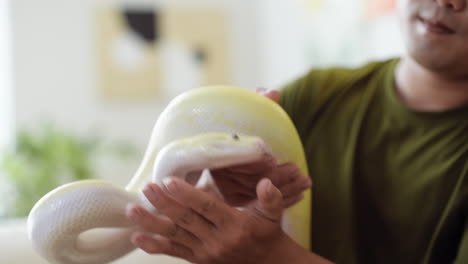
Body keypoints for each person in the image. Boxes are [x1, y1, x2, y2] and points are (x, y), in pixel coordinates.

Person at [125, 0, 468, 263]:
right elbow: (222, 195)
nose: (450, 1)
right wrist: (221, 194)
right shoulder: (314, 95)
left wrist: (272, 256)